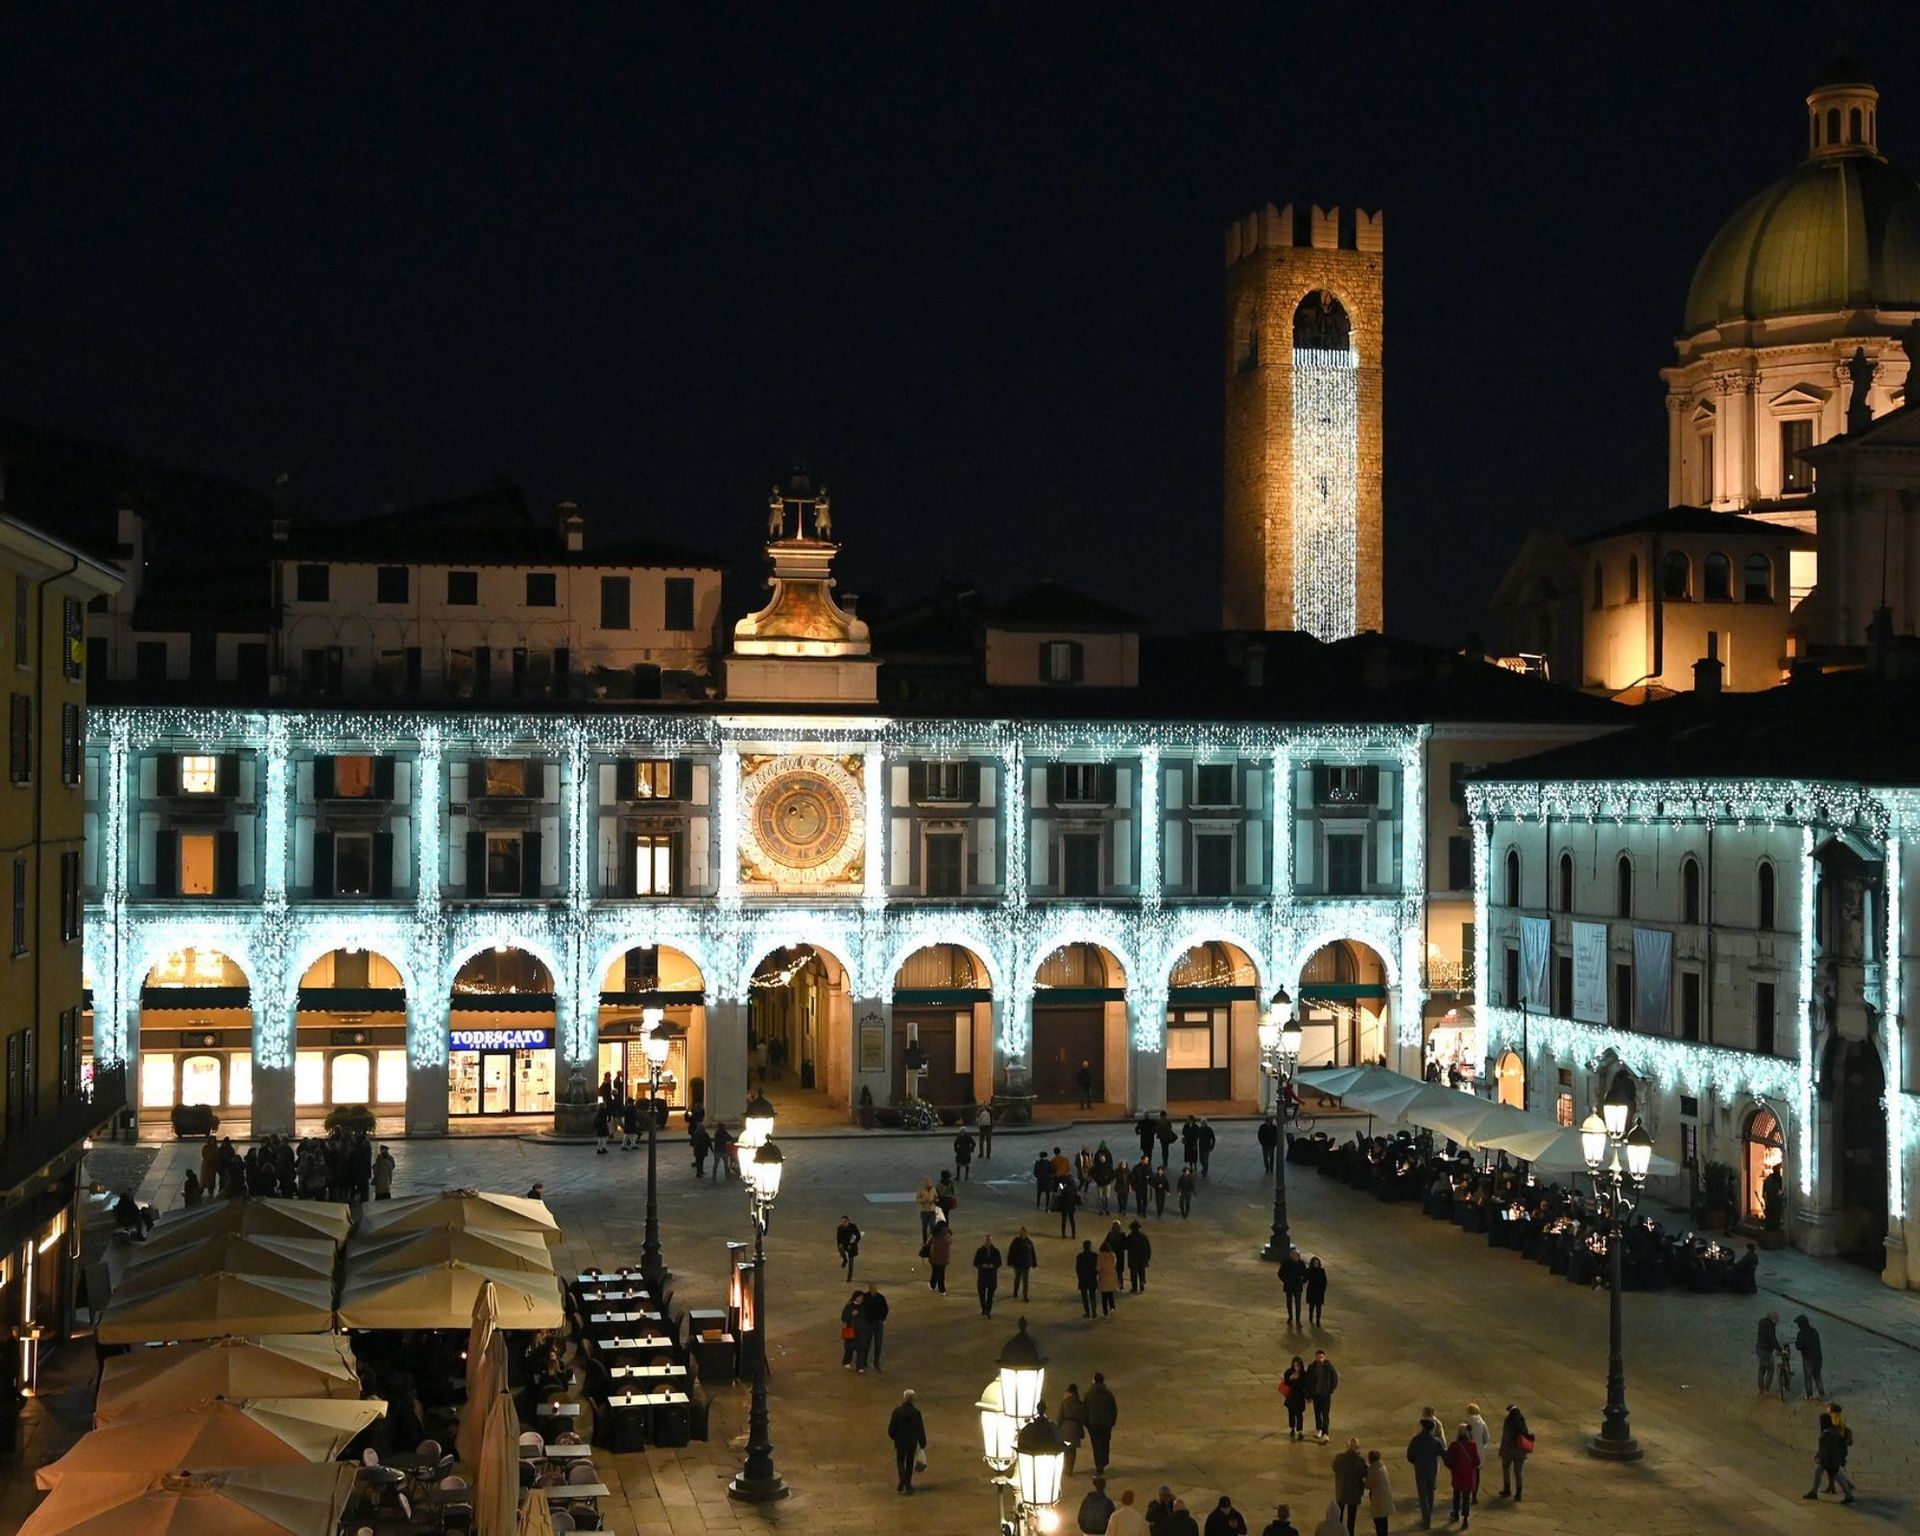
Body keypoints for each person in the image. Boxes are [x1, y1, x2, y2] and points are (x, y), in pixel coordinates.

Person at [1805, 1402, 1856, 1503]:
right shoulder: (1832, 1430)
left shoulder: (1828, 1433)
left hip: (1829, 1459)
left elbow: (1826, 1449)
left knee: (1835, 1475)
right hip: (1831, 1458)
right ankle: (1814, 1491)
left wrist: (1820, 1457)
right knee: (1823, 1472)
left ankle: (1849, 1495)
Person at [1406, 1413, 1445, 1528]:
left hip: (1420, 1469)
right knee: (1430, 1493)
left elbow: (1409, 1456)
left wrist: (1416, 1462)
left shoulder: (1416, 1440)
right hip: (1432, 1469)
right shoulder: (1436, 1441)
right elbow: (1443, 1454)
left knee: (1422, 1495)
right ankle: (1429, 1513)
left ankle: (1426, 1518)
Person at [887, 1389, 926, 1495]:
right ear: (913, 1400)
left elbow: (891, 1429)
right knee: (909, 1462)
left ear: (904, 1398)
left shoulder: (897, 1412)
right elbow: (920, 1429)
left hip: (900, 1441)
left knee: (900, 1460)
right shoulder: (916, 1413)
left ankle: (902, 1478)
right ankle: (908, 1483)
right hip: (912, 1442)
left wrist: (894, 1437)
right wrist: (922, 1442)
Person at [1445, 1423, 1480, 1528]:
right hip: (1468, 1474)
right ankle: (1465, 1519)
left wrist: (1452, 1467)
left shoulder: (1454, 1445)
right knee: (1466, 1497)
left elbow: (1448, 1460)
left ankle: (1455, 1513)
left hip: (1457, 1473)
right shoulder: (1472, 1445)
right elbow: (1477, 1461)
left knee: (1456, 1494)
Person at [1331, 1437, 1367, 1536]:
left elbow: (1334, 1468)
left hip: (1341, 1491)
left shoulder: (1339, 1458)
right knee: (1351, 1520)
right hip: (1354, 1494)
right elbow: (1365, 1473)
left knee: (1339, 1516)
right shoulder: (1360, 1461)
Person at [1084, 1371, 1118, 1474]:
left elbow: (1085, 1409)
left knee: (1096, 1444)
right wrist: (1112, 1421)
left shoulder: (1089, 1393)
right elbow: (1114, 1409)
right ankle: (1104, 1461)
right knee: (1105, 1442)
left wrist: (1087, 1423)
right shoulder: (1108, 1394)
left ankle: (1099, 1464)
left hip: (1093, 1423)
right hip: (1106, 1423)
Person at [1303, 1350, 1338, 1442]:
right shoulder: (1311, 1368)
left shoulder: (1329, 1367)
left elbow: (1334, 1379)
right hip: (1316, 1395)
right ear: (1315, 1357)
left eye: (1321, 1357)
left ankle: (1325, 1433)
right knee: (1317, 1413)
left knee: (1325, 1414)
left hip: (1325, 1395)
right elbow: (1307, 1382)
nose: (1320, 1359)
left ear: (1324, 1357)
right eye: (1318, 1357)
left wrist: (1330, 1390)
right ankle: (1319, 1429)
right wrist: (1308, 1396)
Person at [1496, 1405, 1529, 1501]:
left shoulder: (1508, 1421)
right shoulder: (1522, 1420)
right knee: (1518, 1473)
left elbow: (1505, 1436)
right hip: (1520, 1452)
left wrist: (1502, 1450)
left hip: (1508, 1450)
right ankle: (1518, 1493)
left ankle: (1507, 1489)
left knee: (1506, 1469)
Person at [1464, 1404, 1490, 1504]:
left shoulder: (1465, 1422)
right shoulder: (1482, 1423)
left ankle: (1466, 1493)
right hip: (1478, 1450)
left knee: (1467, 1473)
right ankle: (1474, 1495)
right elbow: (1487, 1437)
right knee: (1476, 1474)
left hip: (1467, 1450)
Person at [1058, 1383, 1087, 1475]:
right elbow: (1082, 1416)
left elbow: (1060, 1416)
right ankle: (1070, 1469)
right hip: (1075, 1427)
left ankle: (1065, 1468)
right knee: (1073, 1451)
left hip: (1065, 1426)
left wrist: (1059, 1427)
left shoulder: (1064, 1402)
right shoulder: (1078, 1402)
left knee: (1066, 1449)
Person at [1795, 1314, 1826, 1399]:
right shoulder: (1814, 1331)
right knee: (1817, 1377)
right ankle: (1821, 1394)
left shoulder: (1801, 1333)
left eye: (1798, 1324)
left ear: (1801, 1324)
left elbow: (1799, 1346)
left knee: (1808, 1379)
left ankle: (1809, 1396)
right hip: (1818, 1358)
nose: (1798, 1326)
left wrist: (1796, 1343)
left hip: (1808, 1359)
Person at [973, 1233, 1004, 1317]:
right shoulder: (980, 1251)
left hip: (991, 1277)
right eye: (986, 1240)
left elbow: (999, 1262)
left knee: (990, 1296)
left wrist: (993, 1266)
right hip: (982, 1277)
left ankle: (988, 1310)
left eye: (989, 1240)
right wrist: (982, 1266)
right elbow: (975, 1262)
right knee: (982, 1295)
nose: (988, 1242)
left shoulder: (996, 1251)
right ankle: (984, 1309)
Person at [1364, 1451, 1393, 1536]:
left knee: (1379, 1522)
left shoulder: (1374, 1470)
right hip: (1385, 1499)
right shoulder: (1382, 1467)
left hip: (1378, 1500)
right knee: (1384, 1521)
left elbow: (1367, 1485)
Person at [861, 1283, 888, 1371]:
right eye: (872, 1289)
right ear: (869, 1289)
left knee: (878, 1343)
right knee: (866, 1342)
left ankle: (876, 1361)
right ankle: (864, 1360)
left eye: (875, 1289)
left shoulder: (880, 1298)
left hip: (877, 1323)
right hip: (868, 1323)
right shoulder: (865, 1297)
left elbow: (885, 1309)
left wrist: (882, 1318)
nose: (874, 1290)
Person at [1281, 1355, 1309, 1441]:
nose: (1296, 1367)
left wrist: (1308, 1397)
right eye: (1295, 1365)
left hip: (1300, 1397)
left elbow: (1306, 1386)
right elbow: (1286, 1383)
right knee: (1291, 1414)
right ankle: (1292, 1428)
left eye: (1298, 1366)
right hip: (1291, 1397)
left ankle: (1300, 1431)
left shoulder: (1304, 1374)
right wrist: (1290, 1378)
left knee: (1299, 1415)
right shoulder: (1289, 1372)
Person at [1279, 1248, 1308, 1327]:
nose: (1296, 1257)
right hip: (1289, 1286)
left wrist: (1303, 1281)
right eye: (1295, 1256)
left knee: (1298, 1304)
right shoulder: (1285, 1263)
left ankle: (1298, 1320)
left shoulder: (1301, 1263)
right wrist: (1286, 1281)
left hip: (1298, 1287)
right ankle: (1290, 1317)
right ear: (1291, 1256)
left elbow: (1305, 1274)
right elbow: (1280, 1273)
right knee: (1289, 1303)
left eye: (1297, 1256)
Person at [1008, 1226, 1038, 1300]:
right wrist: (1010, 1261)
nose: (1022, 1234)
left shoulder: (1029, 1242)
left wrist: (1034, 1263)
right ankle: (1015, 1291)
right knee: (1017, 1279)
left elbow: (1032, 1253)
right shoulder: (1015, 1241)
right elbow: (1011, 1251)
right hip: (1017, 1264)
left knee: (1025, 1280)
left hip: (1026, 1264)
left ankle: (1025, 1295)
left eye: (1023, 1233)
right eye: (1021, 1233)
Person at [840, 1289, 868, 1369]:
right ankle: (847, 1361)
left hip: (861, 1331)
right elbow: (843, 1317)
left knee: (861, 1349)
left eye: (862, 1298)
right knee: (849, 1348)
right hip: (851, 1330)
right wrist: (851, 1315)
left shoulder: (864, 1306)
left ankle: (860, 1367)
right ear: (855, 1298)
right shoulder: (849, 1306)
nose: (861, 1299)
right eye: (860, 1297)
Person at [1756, 1311, 1780, 1393]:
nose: (1777, 1323)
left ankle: (1760, 1389)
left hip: (1759, 1348)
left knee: (1762, 1369)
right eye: (1777, 1321)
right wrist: (1780, 1349)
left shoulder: (1762, 1322)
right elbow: (1772, 1339)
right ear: (1773, 1320)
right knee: (1771, 1369)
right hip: (1766, 1351)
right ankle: (1766, 1389)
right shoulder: (1771, 1326)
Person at [926, 1221, 952, 1294]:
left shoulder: (934, 1233)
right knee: (942, 1274)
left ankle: (932, 1285)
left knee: (934, 1271)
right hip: (943, 1257)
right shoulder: (947, 1233)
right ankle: (942, 1289)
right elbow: (950, 1242)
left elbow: (928, 1242)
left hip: (934, 1255)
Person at [1076, 1240, 1100, 1318]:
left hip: (1083, 1278)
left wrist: (1079, 1277)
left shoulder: (1079, 1256)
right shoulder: (1095, 1256)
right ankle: (1094, 1311)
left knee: (1084, 1296)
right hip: (1092, 1278)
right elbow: (1097, 1268)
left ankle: (1087, 1311)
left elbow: (1077, 1268)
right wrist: (1095, 1274)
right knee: (1092, 1295)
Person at [1096, 1240, 1120, 1317]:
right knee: (1110, 1293)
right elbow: (1115, 1264)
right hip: (1111, 1274)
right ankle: (1112, 1307)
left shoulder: (1100, 1256)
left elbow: (1098, 1267)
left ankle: (1105, 1311)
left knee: (1104, 1295)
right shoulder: (1113, 1255)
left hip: (1103, 1275)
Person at [1126, 1221, 1151, 1292]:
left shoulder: (1129, 1237)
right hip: (1142, 1259)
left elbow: (1126, 1246)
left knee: (1133, 1274)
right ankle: (1142, 1283)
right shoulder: (1144, 1237)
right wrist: (1148, 1258)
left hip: (1133, 1259)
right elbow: (1148, 1248)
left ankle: (1134, 1288)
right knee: (1142, 1272)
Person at [1305, 1256, 1329, 1327]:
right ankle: (1310, 1317)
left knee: (1319, 1307)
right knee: (1311, 1307)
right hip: (1312, 1291)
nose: (1316, 1264)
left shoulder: (1322, 1271)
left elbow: (1324, 1281)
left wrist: (1323, 1289)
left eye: (1317, 1263)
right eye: (1315, 1263)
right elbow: (1305, 1278)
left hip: (1319, 1291)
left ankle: (1318, 1321)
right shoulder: (1309, 1270)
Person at [836, 1215, 862, 1280]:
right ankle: (845, 1260)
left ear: (848, 1222)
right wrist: (840, 1251)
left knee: (851, 1261)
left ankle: (849, 1277)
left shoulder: (853, 1227)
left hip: (852, 1245)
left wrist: (853, 1243)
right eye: (843, 1222)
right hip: (844, 1244)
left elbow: (858, 1236)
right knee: (841, 1247)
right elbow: (838, 1240)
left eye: (845, 1221)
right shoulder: (840, 1228)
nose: (844, 1223)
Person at [1058, 1174, 1081, 1238]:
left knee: (1064, 1221)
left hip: (1064, 1206)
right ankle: (1073, 1234)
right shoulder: (1074, 1187)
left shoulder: (1065, 1188)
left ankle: (1063, 1234)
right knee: (1072, 1220)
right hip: (1072, 1206)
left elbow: (1061, 1193)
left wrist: (1061, 1185)